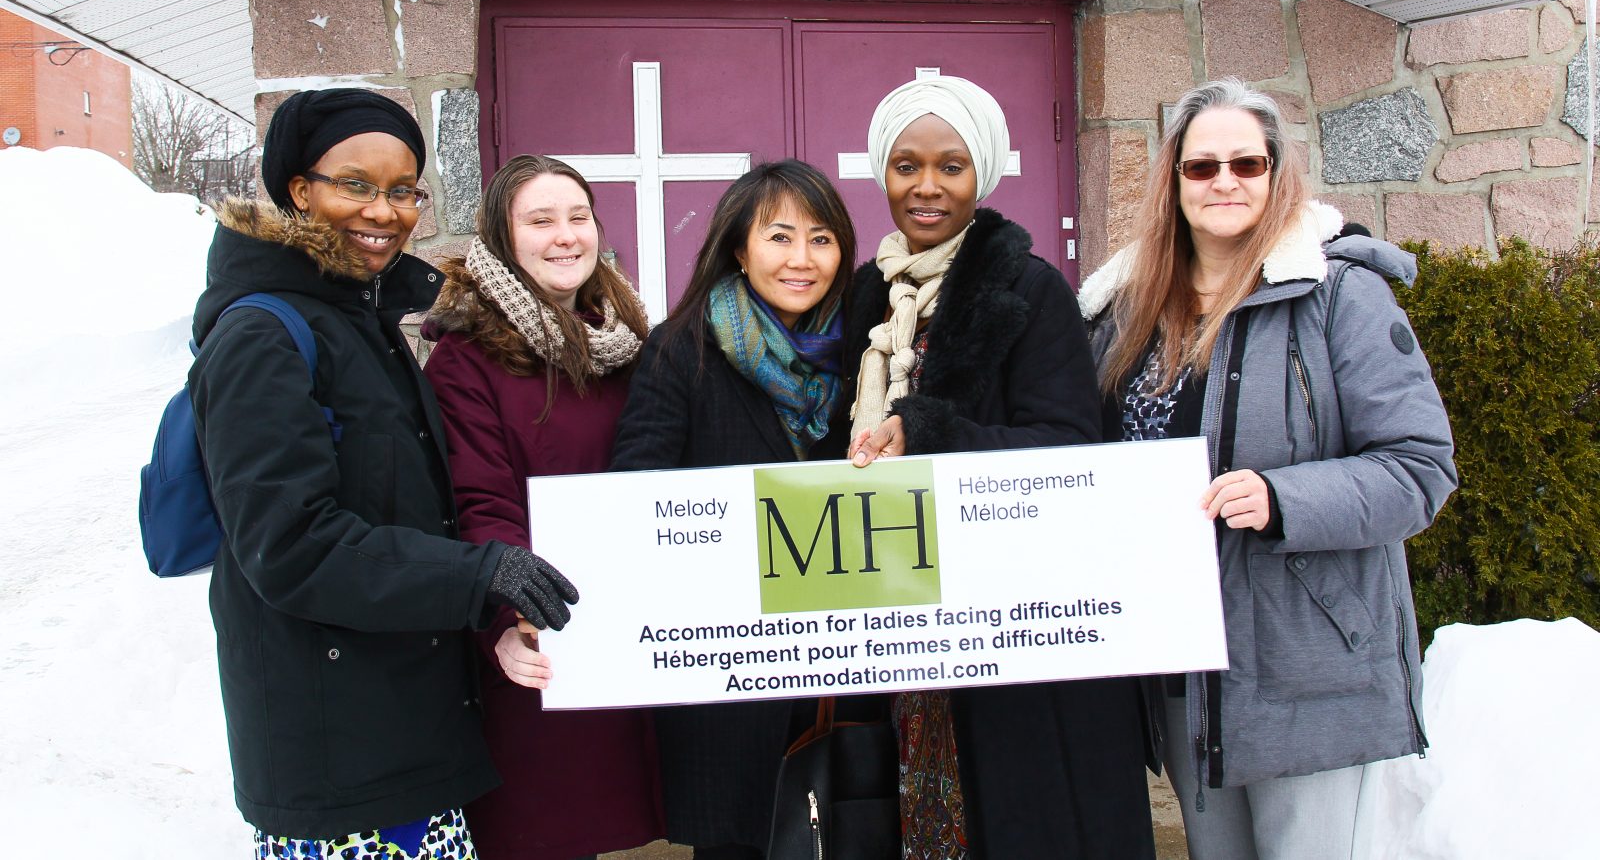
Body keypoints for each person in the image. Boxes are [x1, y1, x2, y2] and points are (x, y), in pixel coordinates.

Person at [189, 89, 579, 857]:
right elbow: (291, 544)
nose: (384, 210)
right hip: (340, 768)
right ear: (300, 190)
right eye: (355, 184)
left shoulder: (362, 321)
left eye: (403, 190)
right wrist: (478, 572)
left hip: (401, 739)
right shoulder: (262, 334)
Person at [1077, 78, 1456, 860]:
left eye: (1246, 164)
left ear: (1276, 174)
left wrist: (1283, 497)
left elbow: (1420, 469)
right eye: (1201, 165)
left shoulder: (1338, 294)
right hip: (1181, 659)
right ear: (1173, 181)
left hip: (1303, 665)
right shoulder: (1125, 311)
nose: (1223, 181)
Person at [846, 75, 1155, 859]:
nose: (926, 186)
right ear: (882, 171)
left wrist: (929, 430)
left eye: (950, 165)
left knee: (1027, 821)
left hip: (1023, 624)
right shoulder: (865, 294)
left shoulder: (1027, 288)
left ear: (981, 173)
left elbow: (1070, 449)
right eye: (906, 164)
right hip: (901, 611)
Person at [610, 159, 859, 859]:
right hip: (729, 672)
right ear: (739, 248)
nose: (802, 260)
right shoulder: (683, 348)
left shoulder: (864, 353)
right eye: (780, 237)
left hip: (842, 667)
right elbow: (638, 490)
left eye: (822, 239)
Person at [423, 155, 662, 859]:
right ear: (502, 237)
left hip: (637, 632)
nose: (565, 236)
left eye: (577, 217)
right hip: (544, 639)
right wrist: (505, 619)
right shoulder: (467, 359)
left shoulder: (629, 338)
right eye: (540, 220)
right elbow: (476, 501)